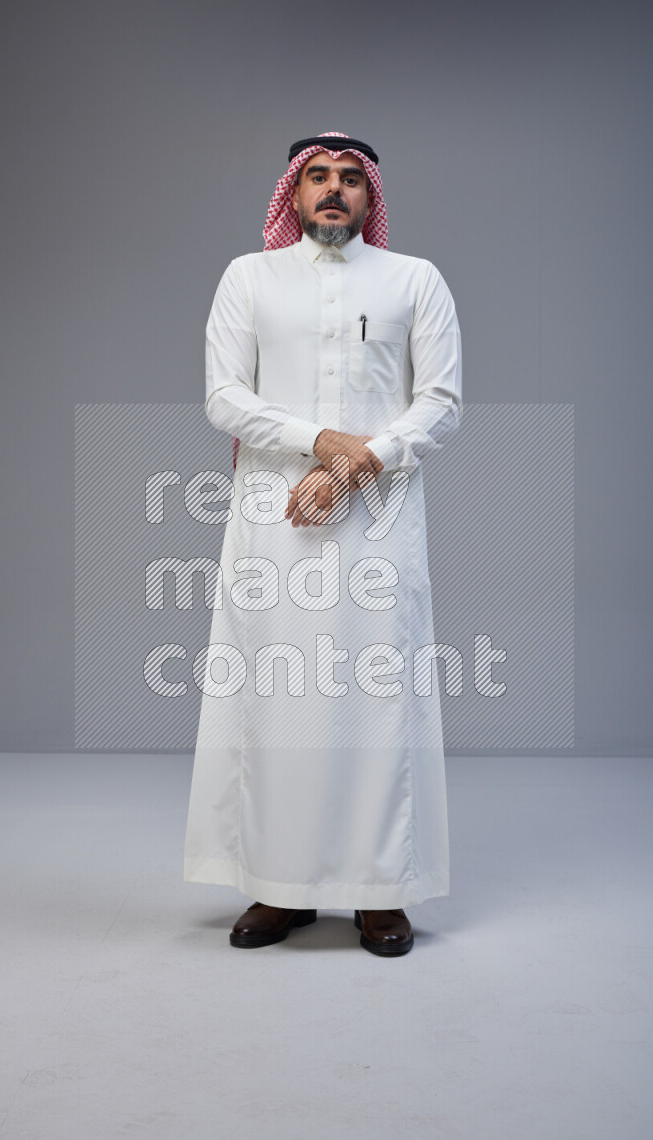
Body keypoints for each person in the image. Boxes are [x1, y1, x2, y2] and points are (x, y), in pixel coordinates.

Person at [183, 131, 462, 956]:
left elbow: (440, 403)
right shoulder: (248, 277)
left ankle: (381, 892)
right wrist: (323, 439)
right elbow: (224, 398)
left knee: (377, 701)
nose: (334, 190)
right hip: (275, 521)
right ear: (293, 194)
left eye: (349, 179)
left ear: (370, 197)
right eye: (317, 178)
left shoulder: (416, 280)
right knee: (277, 700)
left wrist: (353, 465)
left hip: (379, 520)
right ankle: (279, 886)